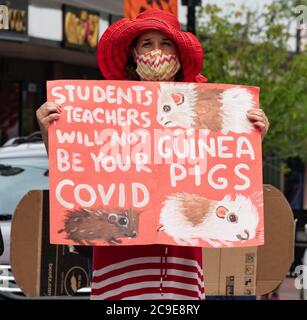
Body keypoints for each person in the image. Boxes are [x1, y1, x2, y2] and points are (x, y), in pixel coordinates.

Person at [36, 8, 269, 300]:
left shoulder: (203, 111)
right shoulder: (104, 109)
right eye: (147, 44)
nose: (156, 52)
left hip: (181, 267)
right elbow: (75, 166)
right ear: (134, 53)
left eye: (165, 44)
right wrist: (50, 132)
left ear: (178, 54)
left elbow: (230, 169)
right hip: (118, 266)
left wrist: (252, 136)